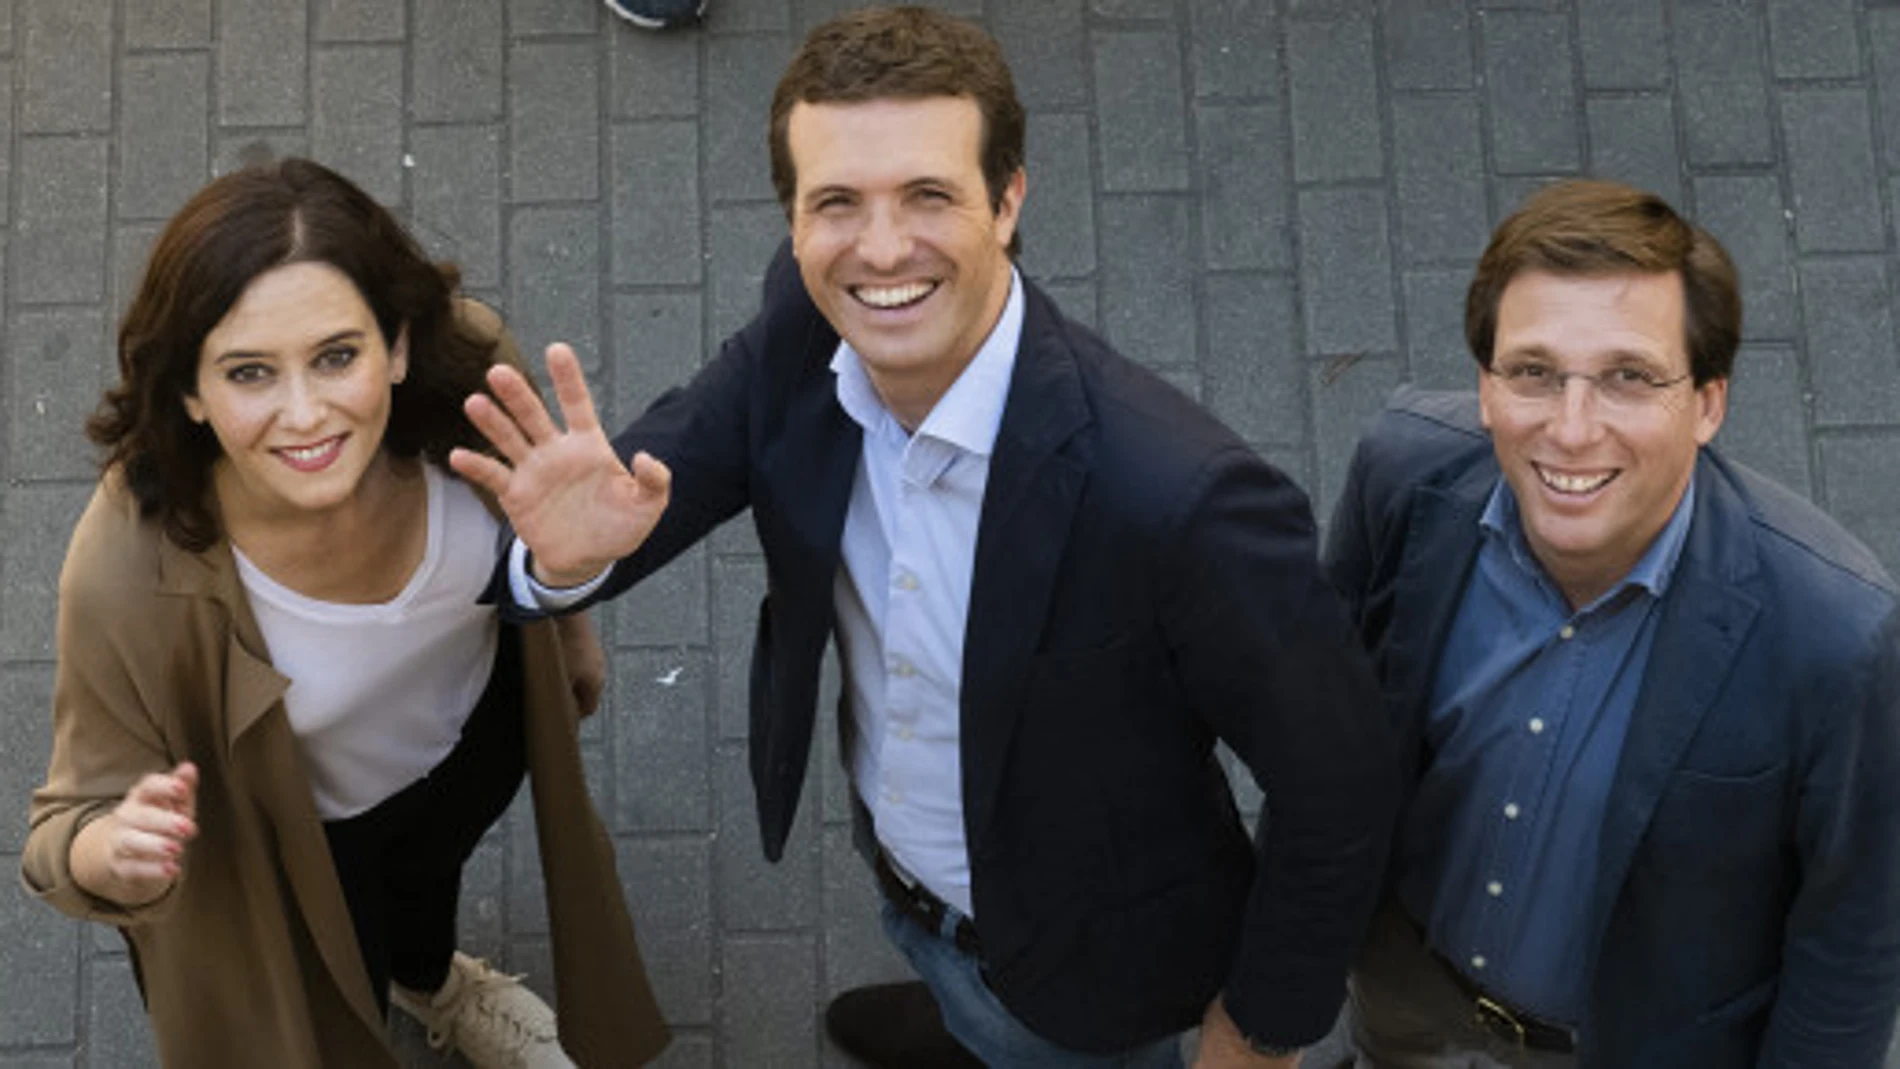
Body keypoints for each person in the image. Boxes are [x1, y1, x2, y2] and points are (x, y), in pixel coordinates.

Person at [451, 7, 1397, 1067]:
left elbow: (1340, 779)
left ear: (1008, 200)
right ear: (793, 220)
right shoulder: (802, 327)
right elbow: (647, 484)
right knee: (964, 1000)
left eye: (929, 196)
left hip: (1096, 967)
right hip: (919, 865)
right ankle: (956, 1002)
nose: (882, 249)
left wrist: (1257, 1035)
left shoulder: (1179, 497)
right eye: (837, 204)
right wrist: (564, 564)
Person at [21, 159, 669, 1069]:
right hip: (308, 846)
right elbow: (61, 828)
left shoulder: (475, 381)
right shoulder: (128, 564)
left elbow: (543, 550)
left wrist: (572, 612)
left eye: (337, 355)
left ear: (397, 345)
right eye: (249, 372)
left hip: (474, 744)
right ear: (190, 393)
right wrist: (108, 853)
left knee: (426, 894)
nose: (305, 414)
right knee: (334, 997)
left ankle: (434, 981)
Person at [1324, 179, 1900, 1067]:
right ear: (1485, 386)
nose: (1572, 428)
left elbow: (1850, 947)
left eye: (1629, 377)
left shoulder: (1838, 639)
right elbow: (1318, 737)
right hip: (1406, 988)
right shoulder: (1401, 478)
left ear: (1708, 402)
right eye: (1534, 372)